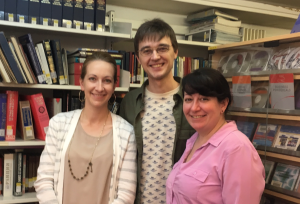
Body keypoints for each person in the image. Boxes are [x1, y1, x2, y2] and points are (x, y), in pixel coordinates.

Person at [34, 52, 137, 204]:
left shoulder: (126, 132)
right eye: (92, 79)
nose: (99, 87)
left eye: (107, 80)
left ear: (115, 86)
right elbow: (44, 181)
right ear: (82, 83)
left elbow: (126, 194)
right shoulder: (58, 124)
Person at [119, 18, 195, 204]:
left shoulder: (195, 101)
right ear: (138, 58)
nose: (155, 57)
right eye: (147, 51)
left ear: (175, 52)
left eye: (162, 48)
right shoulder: (129, 102)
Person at [166, 68, 265, 204]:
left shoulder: (236, 148)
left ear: (223, 104)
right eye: (189, 99)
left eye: (204, 99)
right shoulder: (194, 140)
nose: (194, 108)